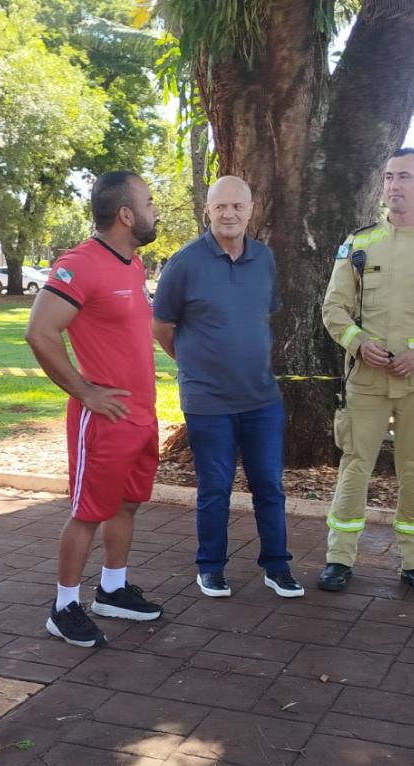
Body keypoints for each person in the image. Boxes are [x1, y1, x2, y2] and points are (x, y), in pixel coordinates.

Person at [318, 148, 414, 598]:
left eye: (404, 177)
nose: (394, 186)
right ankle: (338, 558)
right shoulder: (360, 243)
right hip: (366, 380)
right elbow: (333, 308)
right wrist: (357, 342)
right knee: (354, 466)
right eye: (388, 177)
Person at [25, 170, 165, 648]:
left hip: (140, 416)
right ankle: (63, 607)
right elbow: (40, 332)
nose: (155, 210)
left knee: (127, 503)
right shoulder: (79, 264)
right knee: (88, 511)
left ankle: (112, 590)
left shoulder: (132, 264)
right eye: (148, 202)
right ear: (126, 214)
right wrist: (85, 393)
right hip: (103, 419)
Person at [152, 176, 303, 600]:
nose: (229, 214)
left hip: (261, 399)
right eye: (221, 207)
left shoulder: (265, 259)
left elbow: (261, 316)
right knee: (215, 488)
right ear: (208, 210)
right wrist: (195, 363)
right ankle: (211, 567)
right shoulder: (185, 262)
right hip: (208, 401)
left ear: (251, 209)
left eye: (237, 206)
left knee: (269, 486)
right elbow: (161, 326)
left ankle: (278, 566)